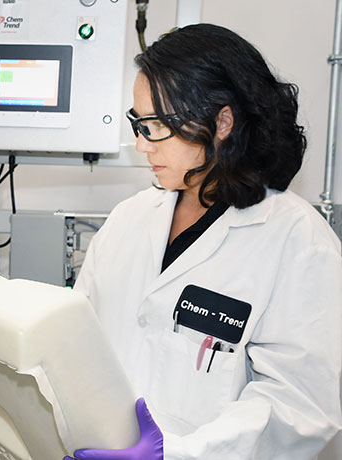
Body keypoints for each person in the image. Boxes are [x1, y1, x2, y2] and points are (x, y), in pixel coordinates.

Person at [69, 24, 342, 459]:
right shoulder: (131, 218)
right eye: (139, 123)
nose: (141, 144)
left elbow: (298, 407)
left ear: (222, 122)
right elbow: (75, 339)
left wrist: (172, 455)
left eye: (157, 126)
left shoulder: (298, 240)